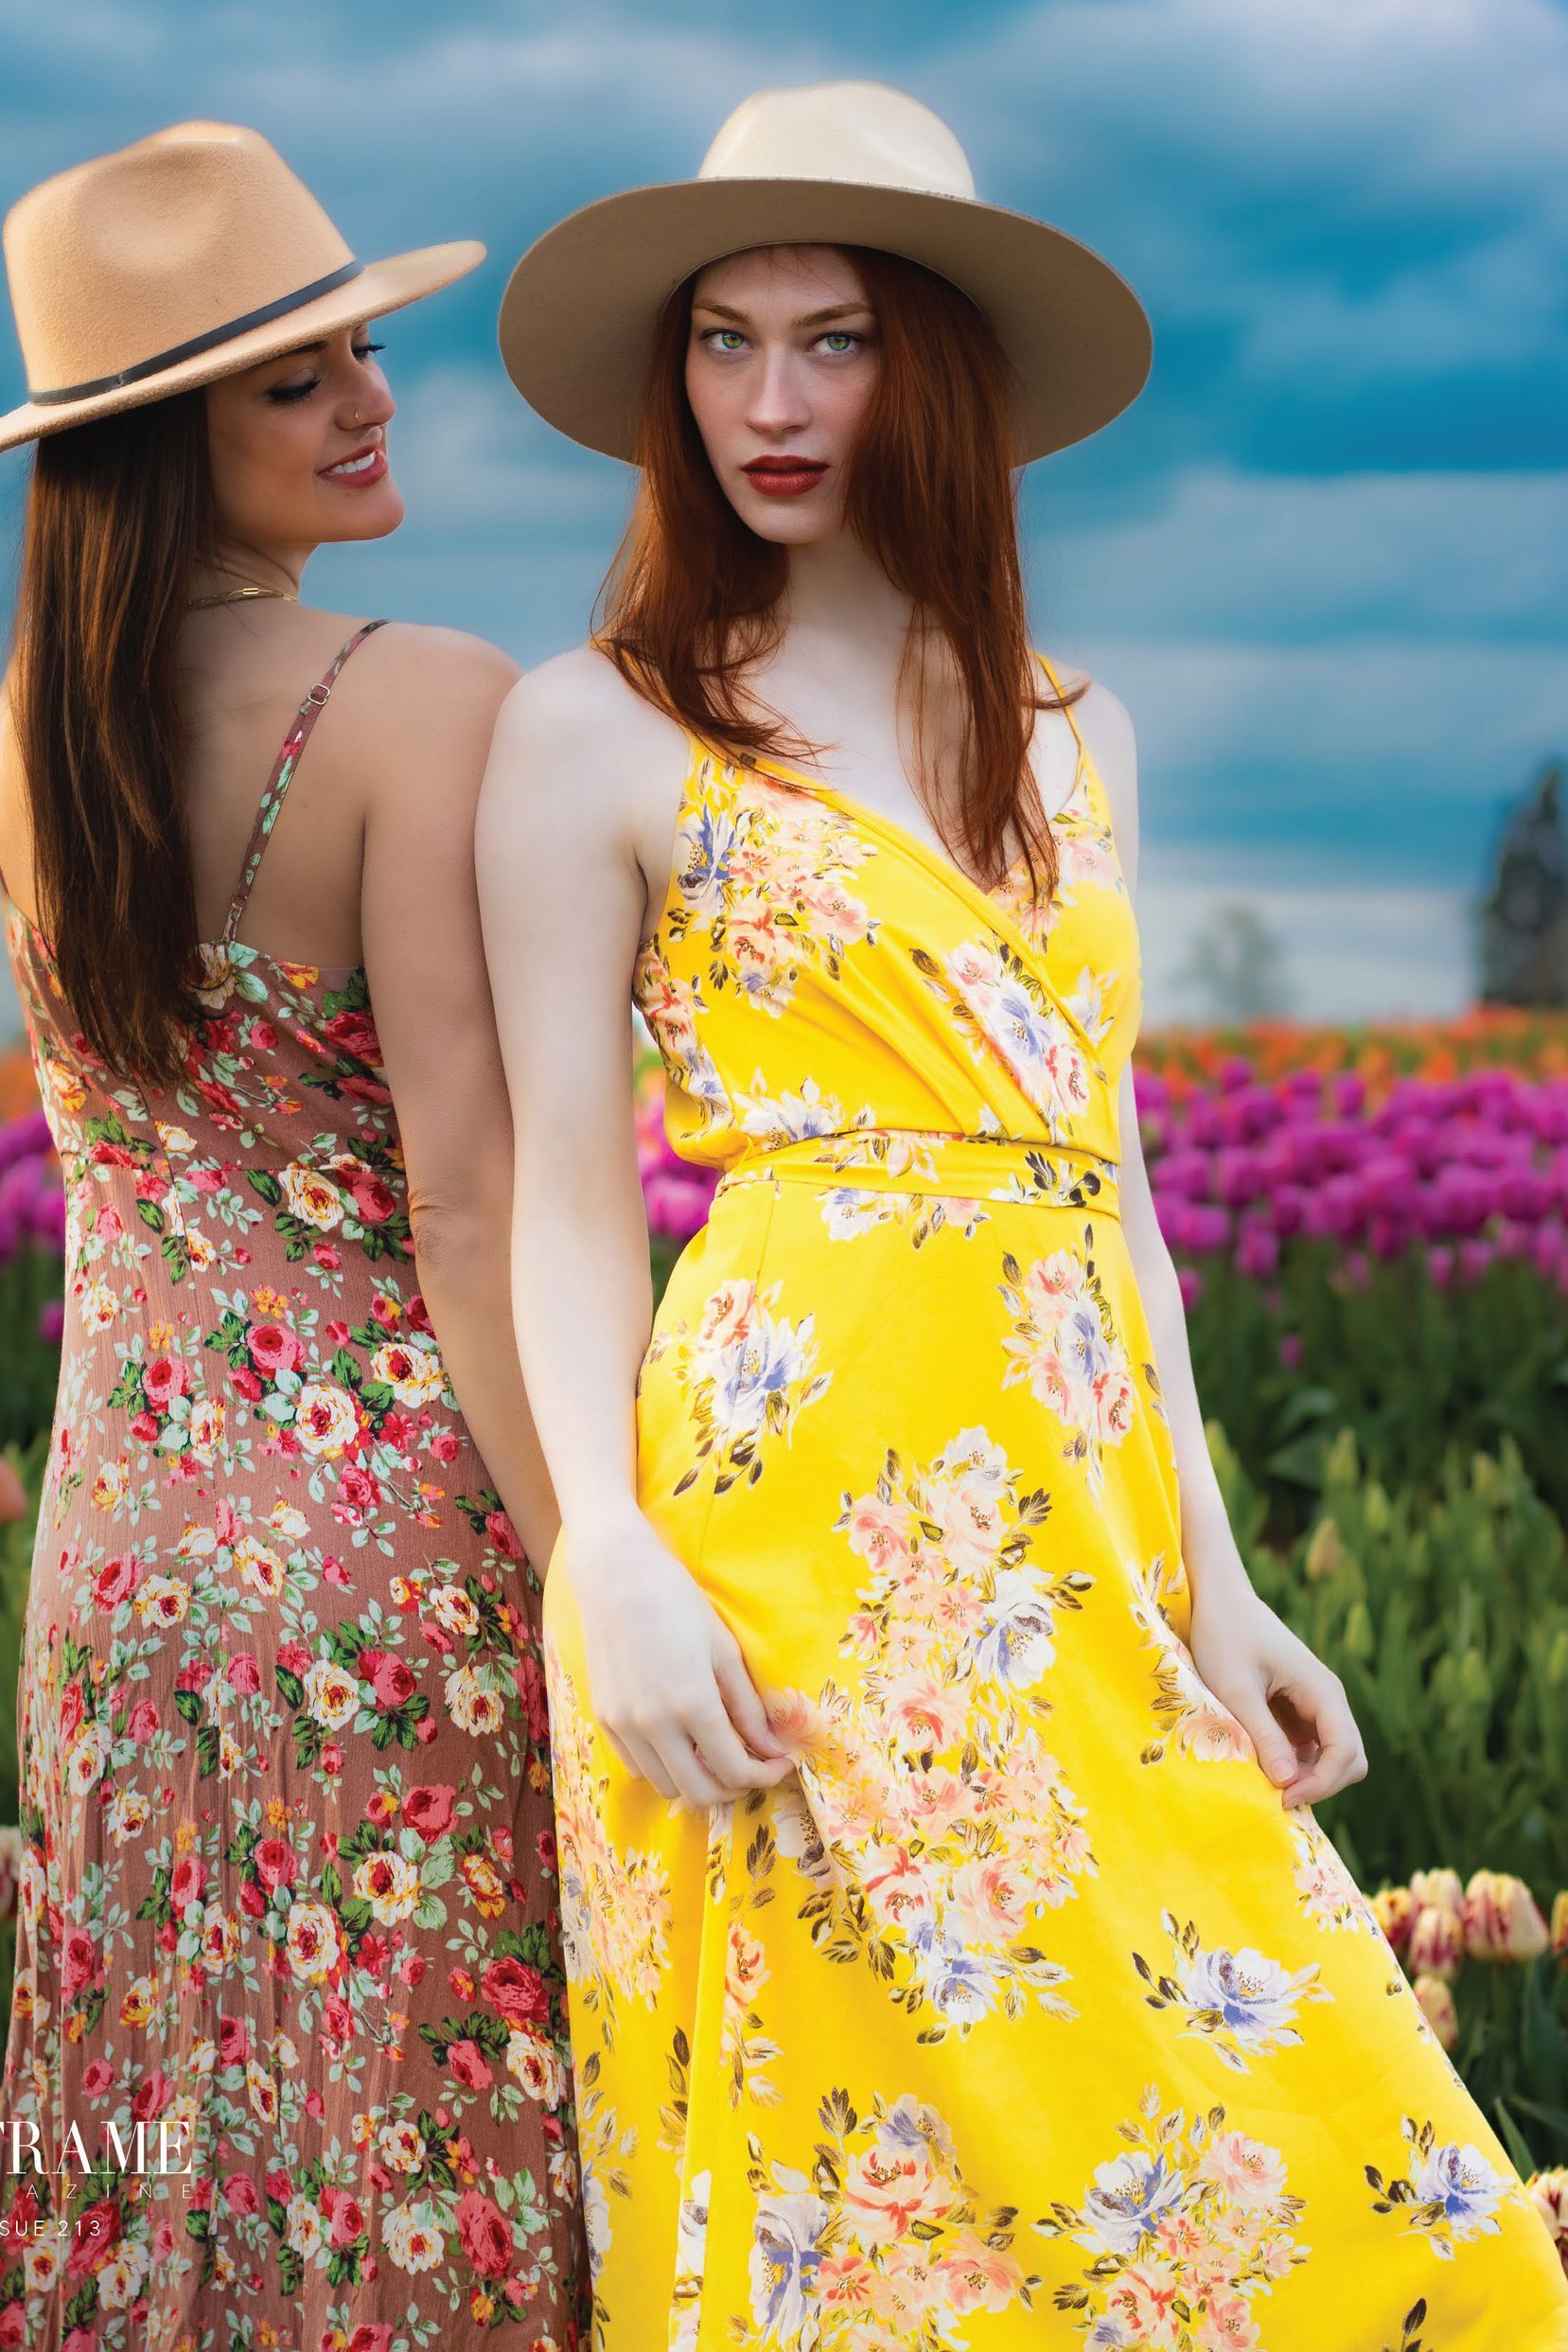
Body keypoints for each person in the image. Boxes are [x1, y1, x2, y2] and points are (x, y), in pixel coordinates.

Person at [477, 80, 1568, 2349]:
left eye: (839, 339)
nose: (770, 401)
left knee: (1398, 2218)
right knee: (856, 2181)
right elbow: (568, 1199)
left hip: (1067, 1510)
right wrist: (612, 1551)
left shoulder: (1082, 734)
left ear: (943, 369)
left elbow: (1120, 1185)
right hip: (792, 1521)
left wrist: (1218, 1562)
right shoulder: (601, 730)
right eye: (724, 340)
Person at [0, 120, 589, 2350]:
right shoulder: (422, 703)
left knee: (176, 2141)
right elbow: (476, 1209)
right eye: (294, 381)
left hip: (123, 1555)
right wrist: (606, 1558)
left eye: (359, 354)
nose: (369, 401)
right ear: (154, 443)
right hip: (400, 1542)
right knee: (421, 2148)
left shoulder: (38, 735)